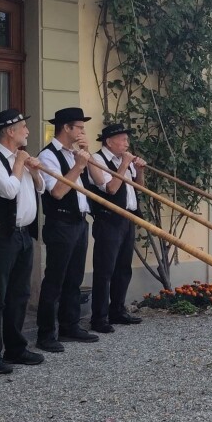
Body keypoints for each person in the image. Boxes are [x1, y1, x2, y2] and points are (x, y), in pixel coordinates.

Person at [0, 109, 45, 374]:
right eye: (23, 127)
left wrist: (34, 170)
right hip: (0, 236)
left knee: (19, 294)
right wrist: (20, 164)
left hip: (24, 233)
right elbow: (8, 190)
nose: (27, 131)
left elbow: (40, 189)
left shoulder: (21, 159)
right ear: (9, 131)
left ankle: (16, 348)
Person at [35, 107, 105, 352]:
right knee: (55, 280)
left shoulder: (77, 153)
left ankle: (69, 325)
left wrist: (87, 155)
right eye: (80, 127)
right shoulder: (48, 155)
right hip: (60, 223)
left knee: (75, 278)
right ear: (66, 128)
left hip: (79, 221)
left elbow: (100, 180)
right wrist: (77, 166)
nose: (83, 132)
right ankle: (45, 334)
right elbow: (57, 191)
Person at [87, 123, 146, 333]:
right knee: (105, 270)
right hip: (108, 220)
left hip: (127, 218)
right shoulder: (97, 160)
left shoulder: (125, 161)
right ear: (109, 141)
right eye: (123, 139)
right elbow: (110, 188)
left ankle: (118, 310)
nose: (126, 144)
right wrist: (124, 165)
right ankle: (99, 317)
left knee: (123, 268)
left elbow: (139, 188)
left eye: (126, 140)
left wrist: (139, 171)